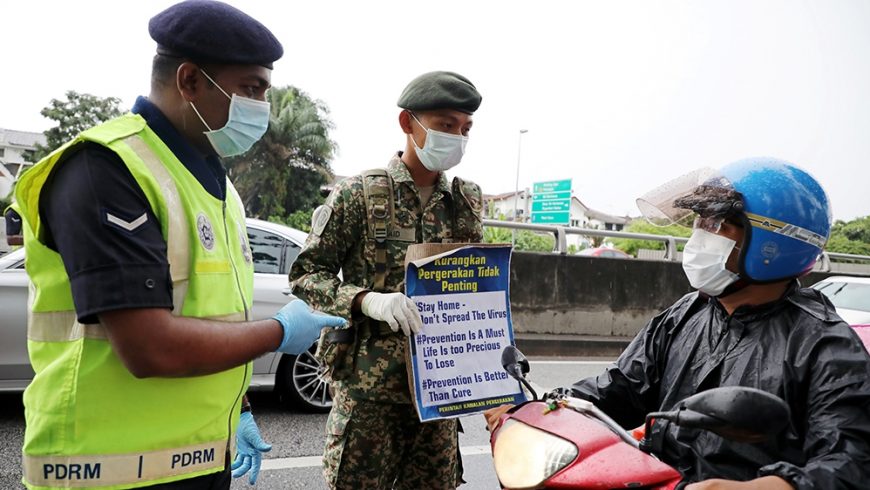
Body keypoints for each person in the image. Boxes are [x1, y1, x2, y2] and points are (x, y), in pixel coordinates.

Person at [14, 1, 345, 489]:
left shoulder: (214, 183)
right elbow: (149, 347)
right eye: (251, 88)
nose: (262, 108)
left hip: (200, 461)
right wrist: (278, 332)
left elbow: (211, 315)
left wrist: (241, 404)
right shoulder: (107, 168)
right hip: (105, 470)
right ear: (189, 80)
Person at [488, 158, 870, 489]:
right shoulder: (686, 314)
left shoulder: (824, 345)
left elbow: (851, 460)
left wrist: (778, 486)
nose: (701, 235)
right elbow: (619, 389)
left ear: (775, 242)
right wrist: (537, 406)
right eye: (700, 221)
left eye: (719, 223)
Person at [289, 71, 485, 489]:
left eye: (466, 128)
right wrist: (365, 301)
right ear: (407, 123)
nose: (458, 137)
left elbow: (478, 296)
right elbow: (307, 275)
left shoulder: (465, 206)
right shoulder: (358, 194)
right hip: (367, 396)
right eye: (445, 125)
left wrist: (491, 373)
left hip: (440, 398)